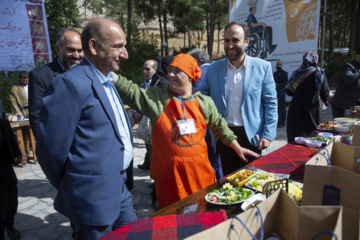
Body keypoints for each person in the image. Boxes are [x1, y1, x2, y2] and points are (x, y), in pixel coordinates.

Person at [114, 53, 260, 209]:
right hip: (170, 179)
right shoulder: (157, 99)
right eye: (170, 70)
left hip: (199, 176)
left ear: (190, 76)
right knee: (172, 221)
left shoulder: (204, 102)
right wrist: (111, 75)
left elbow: (220, 127)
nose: (170, 74)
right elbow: (131, 91)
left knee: (201, 216)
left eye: (177, 71)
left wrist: (238, 148)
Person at [36, 18, 137, 239]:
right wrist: (76, 187)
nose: (125, 54)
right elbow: (50, 152)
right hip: (92, 199)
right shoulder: (69, 84)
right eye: (118, 46)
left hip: (120, 190)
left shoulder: (108, 79)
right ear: (93, 46)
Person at [199, 22, 278, 176]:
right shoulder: (214, 69)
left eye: (235, 40)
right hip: (224, 134)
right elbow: (202, 97)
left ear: (246, 42)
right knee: (229, 179)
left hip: (252, 137)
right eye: (226, 41)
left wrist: (268, 134)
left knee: (251, 181)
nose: (230, 45)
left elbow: (271, 103)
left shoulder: (262, 67)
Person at [28, 28, 83, 139]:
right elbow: (37, 117)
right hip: (59, 143)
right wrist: (46, 151)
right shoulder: (40, 76)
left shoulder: (88, 73)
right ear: (57, 49)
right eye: (71, 50)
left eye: (80, 50)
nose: (76, 55)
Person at [188, 48, 223, 180]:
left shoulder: (197, 74)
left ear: (196, 61)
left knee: (210, 158)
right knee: (218, 157)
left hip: (205, 123)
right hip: (220, 121)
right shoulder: (217, 71)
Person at [285, 51, 330, 143]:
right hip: (311, 110)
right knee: (313, 137)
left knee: (295, 137)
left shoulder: (297, 73)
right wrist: (326, 102)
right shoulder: (319, 73)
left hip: (295, 109)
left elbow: (288, 91)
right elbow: (325, 94)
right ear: (315, 60)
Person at [0, 99, 22, 240]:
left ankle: (9, 224)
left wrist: (15, 150)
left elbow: (5, 125)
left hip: (1, 156)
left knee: (10, 191)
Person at [135, 59, 158, 170]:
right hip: (144, 121)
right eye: (143, 68)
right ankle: (148, 163)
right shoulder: (141, 85)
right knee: (147, 143)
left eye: (147, 69)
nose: (144, 71)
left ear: (155, 70)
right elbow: (137, 102)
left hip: (153, 122)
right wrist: (135, 113)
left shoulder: (158, 85)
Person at [331, 48, 360, 118]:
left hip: (355, 106)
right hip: (344, 106)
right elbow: (349, 78)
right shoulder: (348, 66)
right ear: (357, 56)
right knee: (344, 127)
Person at [273, 60, 288, 128]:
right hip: (275, 93)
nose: (278, 66)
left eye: (279, 64)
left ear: (282, 65)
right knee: (277, 109)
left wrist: (277, 85)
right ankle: (278, 122)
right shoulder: (274, 73)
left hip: (281, 93)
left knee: (282, 108)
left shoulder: (284, 73)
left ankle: (282, 122)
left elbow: (285, 83)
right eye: (277, 64)